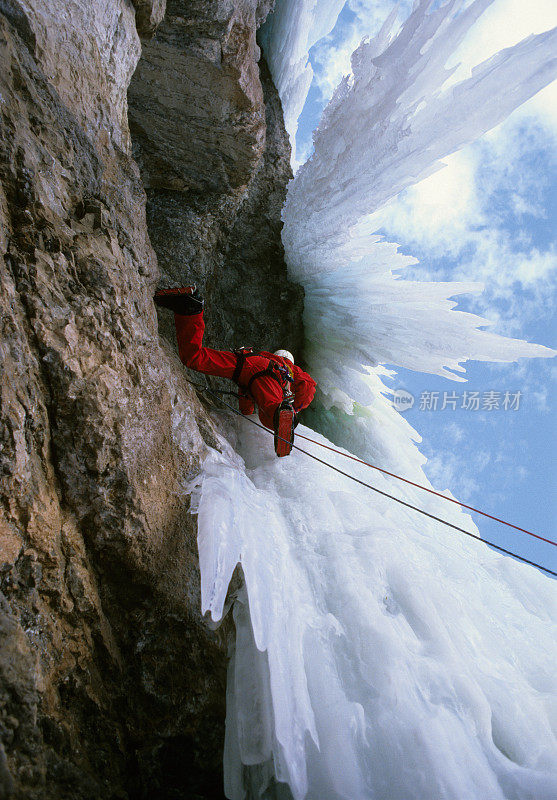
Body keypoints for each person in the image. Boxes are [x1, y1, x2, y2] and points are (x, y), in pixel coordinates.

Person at [154, 286, 316, 456]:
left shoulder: (270, 358)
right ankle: (279, 415)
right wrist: (295, 408)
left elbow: (248, 393)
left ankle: (190, 309)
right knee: (271, 413)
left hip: (244, 363)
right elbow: (309, 386)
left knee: (194, 357)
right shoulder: (289, 370)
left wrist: (246, 415)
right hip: (265, 376)